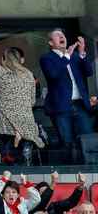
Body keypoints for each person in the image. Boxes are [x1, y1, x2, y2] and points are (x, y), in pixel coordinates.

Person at [0, 24, 44, 165]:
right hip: (26, 124)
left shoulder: (1, 72)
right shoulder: (29, 75)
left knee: (4, 164)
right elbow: (32, 101)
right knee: (24, 167)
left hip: (5, 125)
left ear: (5, 59)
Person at [40, 28, 93, 164]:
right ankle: (72, 173)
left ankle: (90, 171)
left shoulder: (75, 56)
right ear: (51, 43)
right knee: (67, 143)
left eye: (62, 34)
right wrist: (66, 57)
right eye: (57, 36)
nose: (62, 37)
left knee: (88, 139)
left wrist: (81, 53)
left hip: (80, 104)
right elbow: (53, 74)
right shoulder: (47, 58)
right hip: (62, 108)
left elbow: (88, 72)